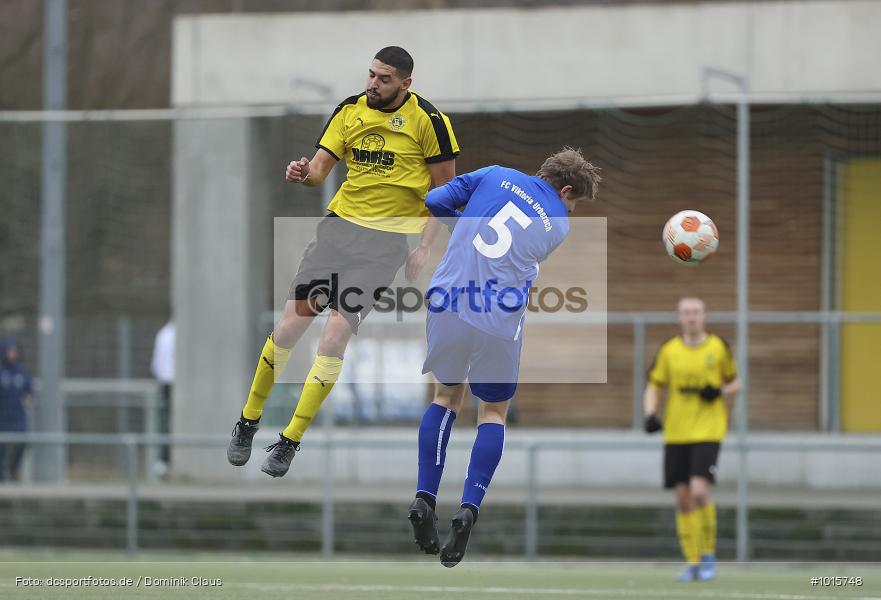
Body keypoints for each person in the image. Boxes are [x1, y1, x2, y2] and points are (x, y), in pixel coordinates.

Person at [227, 46, 459, 477]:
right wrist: (303, 173)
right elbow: (319, 170)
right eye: (371, 75)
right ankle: (248, 420)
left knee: (334, 336)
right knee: (288, 328)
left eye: (384, 79)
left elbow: (447, 195)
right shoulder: (350, 110)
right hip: (337, 233)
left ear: (405, 84)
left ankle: (289, 441)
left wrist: (425, 245)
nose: (373, 83)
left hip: (384, 246)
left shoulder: (430, 123)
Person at [407, 148, 602, 567]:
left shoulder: (495, 173)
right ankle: (469, 508)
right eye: (574, 200)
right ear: (566, 190)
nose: (571, 208)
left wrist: (465, 223)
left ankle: (425, 496)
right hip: (497, 319)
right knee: (492, 412)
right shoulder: (559, 225)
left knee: (444, 399)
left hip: (449, 300)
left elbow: (436, 199)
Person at [643, 297, 741, 581]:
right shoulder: (669, 350)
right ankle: (693, 562)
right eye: (686, 312)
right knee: (683, 499)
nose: (691, 317)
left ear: (705, 316)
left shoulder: (717, 347)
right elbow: (654, 385)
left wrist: (720, 391)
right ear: (679, 317)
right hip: (676, 432)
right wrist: (650, 413)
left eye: (696, 312)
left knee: (700, 491)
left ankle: (709, 555)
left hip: (708, 430)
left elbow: (736, 382)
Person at [0, 337, 33, 482]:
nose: (13, 354)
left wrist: (30, 399)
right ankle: (2, 474)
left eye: (15, 351)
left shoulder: (22, 371)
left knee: (22, 441)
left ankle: (12, 470)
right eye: (10, 351)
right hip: (2, 415)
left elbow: (29, 391)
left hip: (18, 416)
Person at [150, 319, 175, 474]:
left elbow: (156, 363)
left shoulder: (163, 333)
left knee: (164, 421)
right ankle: (165, 459)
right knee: (166, 422)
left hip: (164, 380)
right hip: (173, 381)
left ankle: (163, 460)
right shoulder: (172, 333)